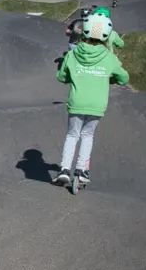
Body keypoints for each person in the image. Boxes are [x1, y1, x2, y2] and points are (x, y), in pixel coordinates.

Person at [52, 14, 129, 185]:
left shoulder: (72, 54)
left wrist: (72, 77)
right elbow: (124, 78)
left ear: (84, 32)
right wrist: (111, 79)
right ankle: (81, 171)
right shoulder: (109, 57)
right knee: (87, 135)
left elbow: (61, 76)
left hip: (77, 101)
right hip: (97, 103)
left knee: (72, 135)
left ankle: (64, 169)